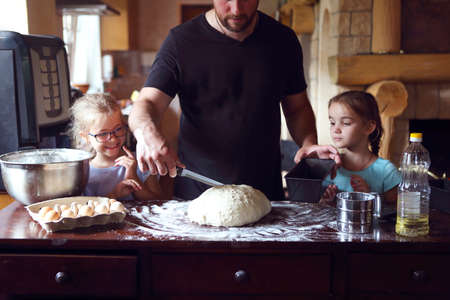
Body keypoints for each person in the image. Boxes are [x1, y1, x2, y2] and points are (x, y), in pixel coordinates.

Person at [129, 0, 339, 200]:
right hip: (197, 191)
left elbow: (297, 108)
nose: (237, 9)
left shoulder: (283, 40)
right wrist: (146, 131)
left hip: (265, 191)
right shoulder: (180, 41)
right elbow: (147, 102)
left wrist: (308, 143)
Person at [69, 93, 164, 201]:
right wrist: (114, 194)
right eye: (103, 134)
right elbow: (86, 210)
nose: (113, 139)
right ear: (85, 137)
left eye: (118, 129)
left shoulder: (141, 162)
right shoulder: (84, 173)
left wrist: (134, 177)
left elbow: (159, 201)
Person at [321, 91, 401, 204]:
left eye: (346, 123)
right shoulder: (327, 167)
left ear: (369, 127)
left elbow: (396, 212)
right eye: (332, 123)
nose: (336, 129)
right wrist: (325, 201)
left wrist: (369, 197)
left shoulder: (387, 172)